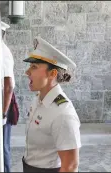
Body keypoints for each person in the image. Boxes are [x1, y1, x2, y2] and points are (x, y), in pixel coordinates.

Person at [22, 36, 81, 172]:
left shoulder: (63, 114)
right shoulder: (38, 99)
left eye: (34, 67)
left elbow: (70, 166)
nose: (27, 72)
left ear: (52, 73)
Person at [1, 21, 16, 173]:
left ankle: (6, 170)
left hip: (1, 99)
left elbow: (9, 85)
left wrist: (3, 112)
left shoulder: (2, 51)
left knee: (3, 143)